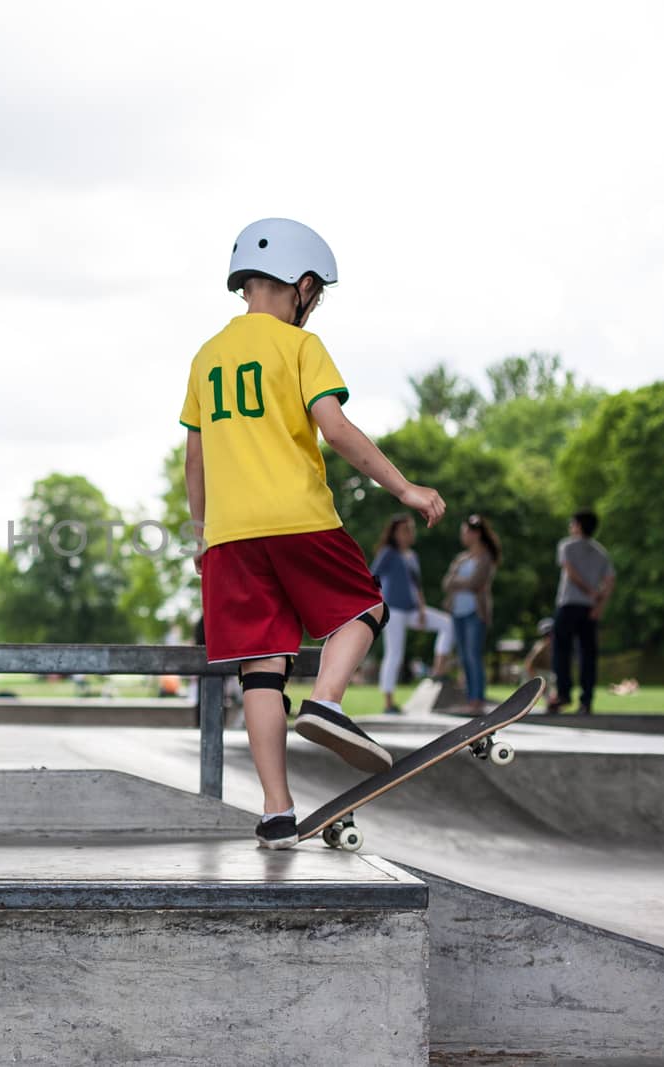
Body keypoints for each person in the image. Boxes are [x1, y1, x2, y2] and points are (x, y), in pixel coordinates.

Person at [181, 218, 446, 850]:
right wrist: (405, 489)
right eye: (315, 293)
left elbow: (195, 459)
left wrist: (202, 533)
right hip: (298, 518)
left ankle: (277, 812)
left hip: (230, 537)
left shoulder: (205, 356)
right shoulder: (301, 347)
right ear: (301, 284)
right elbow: (336, 429)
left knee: (261, 672)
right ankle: (327, 699)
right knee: (366, 605)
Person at [368, 513, 455, 712]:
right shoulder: (388, 552)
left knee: (447, 624)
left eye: (411, 529)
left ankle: (439, 669)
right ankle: (388, 702)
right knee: (394, 654)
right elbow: (372, 576)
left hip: (413, 610)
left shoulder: (412, 556)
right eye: (405, 530)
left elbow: (417, 586)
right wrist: (376, 605)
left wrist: (422, 608)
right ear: (395, 533)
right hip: (394, 610)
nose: (410, 534)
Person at [549, 510, 616, 714]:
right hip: (589, 610)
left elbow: (570, 571)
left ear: (578, 525)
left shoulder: (567, 545)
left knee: (561, 650)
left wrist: (589, 591)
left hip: (569, 604)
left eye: (572, 523)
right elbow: (610, 580)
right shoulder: (601, 552)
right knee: (588, 655)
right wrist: (599, 604)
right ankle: (586, 700)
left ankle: (563, 694)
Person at [442, 514, 501, 715]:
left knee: (473, 655)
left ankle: (478, 698)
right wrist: (462, 583)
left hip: (475, 613)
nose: (463, 536)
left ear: (475, 533)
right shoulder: (461, 558)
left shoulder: (486, 558)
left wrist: (458, 582)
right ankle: (470, 698)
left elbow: (476, 582)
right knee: (463, 657)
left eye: (465, 531)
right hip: (457, 613)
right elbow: (446, 583)